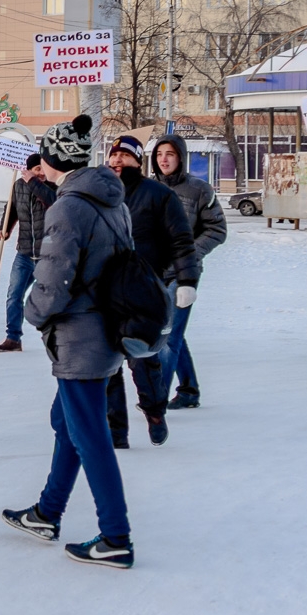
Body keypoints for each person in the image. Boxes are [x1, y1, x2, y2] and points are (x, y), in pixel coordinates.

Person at [4, 114, 135, 568]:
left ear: (53, 159)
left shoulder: (68, 207)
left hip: (82, 335)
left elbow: (54, 278)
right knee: (68, 422)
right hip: (105, 328)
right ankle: (47, 512)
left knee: (90, 436)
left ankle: (116, 536)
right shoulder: (110, 199)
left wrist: (32, 313)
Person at [104, 134, 198, 447]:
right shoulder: (100, 194)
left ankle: (155, 412)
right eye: (113, 155)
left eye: (124, 155)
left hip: (143, 292)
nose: (117, 160)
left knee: (143, 360)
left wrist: (187, 280)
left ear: (137, 160)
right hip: (104, 291)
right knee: (107, 364)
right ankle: (116, 431)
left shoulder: (158, 195)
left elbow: (181, 241)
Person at [152, 135, 227, 409]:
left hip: (184, 274)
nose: (164, 159)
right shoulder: (148, 188)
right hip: (154, 272)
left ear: (181, 157)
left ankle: (156, 398)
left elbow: (217, 229)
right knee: (172, 332)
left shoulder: (199, 190)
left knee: (169, 335)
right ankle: (189, 390)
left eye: (170, 154)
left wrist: (190, 253)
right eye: (159, 154)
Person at [0, 153, 57, 353]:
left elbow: (53, 202)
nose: (42, 173)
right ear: (29, 170)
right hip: (25, 253)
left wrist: (34, 182)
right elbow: (11, 208)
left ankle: (57, 339)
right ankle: (13, 338)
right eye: (37, 169)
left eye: (43, 169)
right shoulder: (18, 186)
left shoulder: (53, 187)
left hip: (48, 255)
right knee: (14, 295)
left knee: (50, 299)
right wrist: (4, 228)